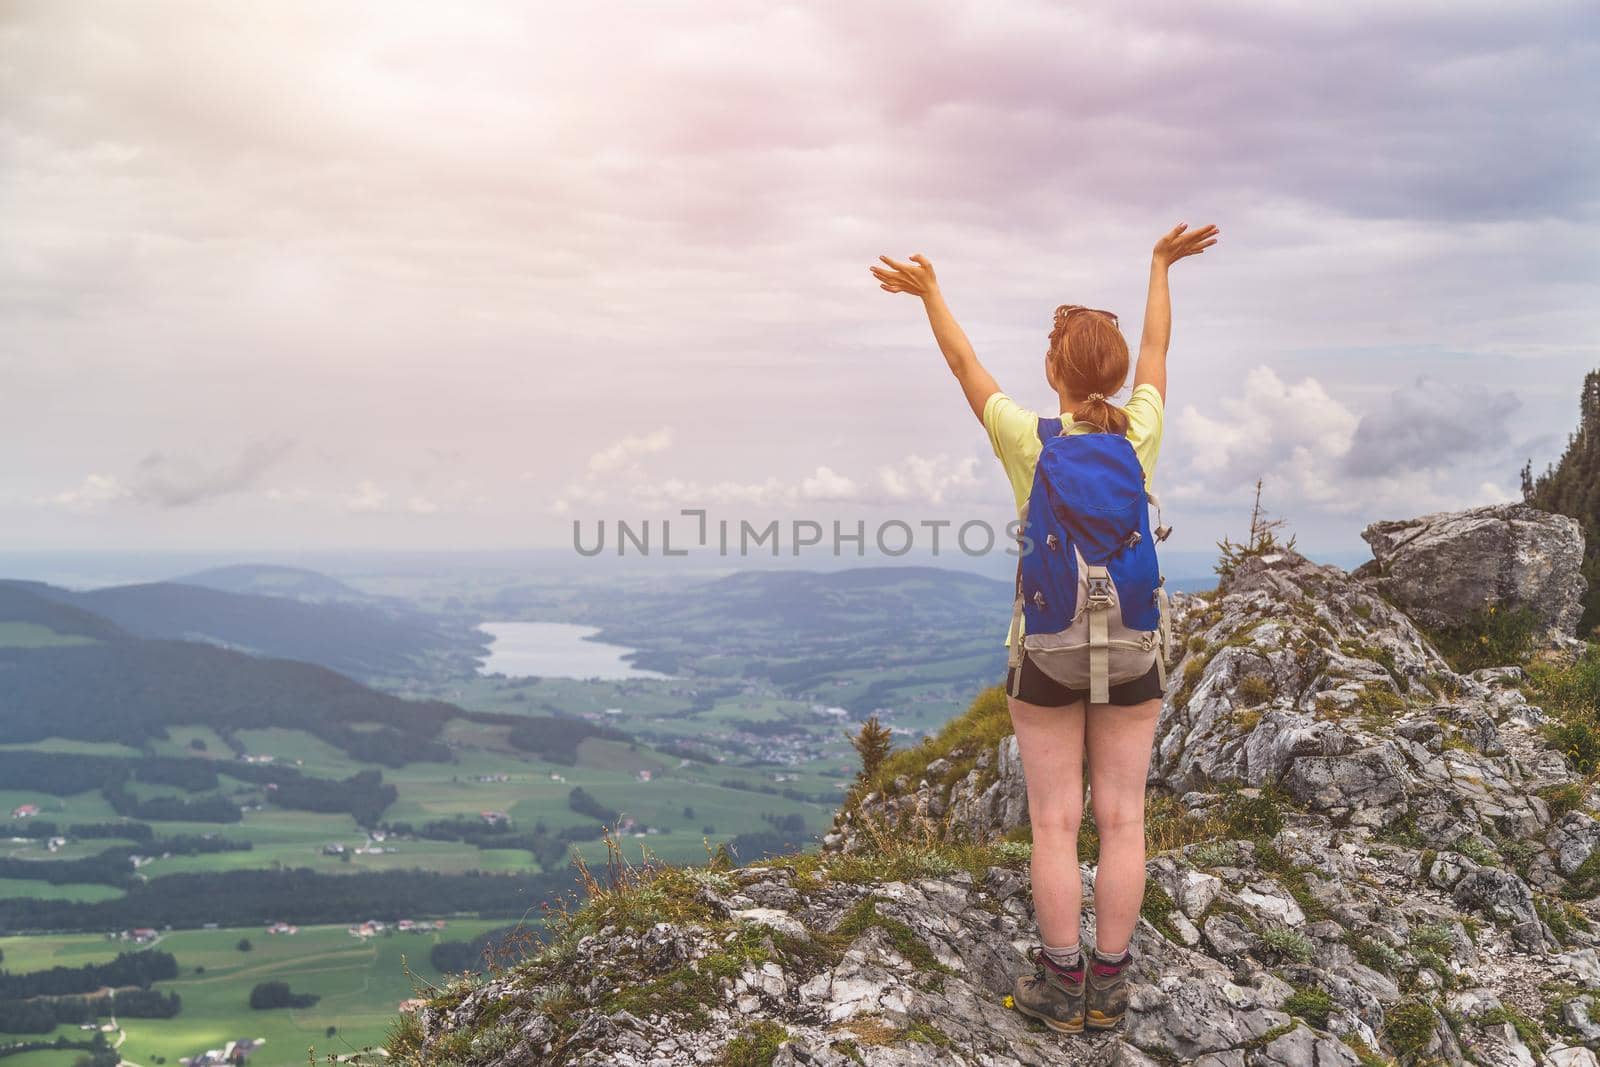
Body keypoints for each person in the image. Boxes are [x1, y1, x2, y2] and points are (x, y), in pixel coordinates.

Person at [868, 221, 1219, 1034]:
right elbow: (1160, 350)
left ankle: (1062, 985)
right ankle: (1112, 987)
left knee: (1056, 821)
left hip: (1048, 650)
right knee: (1124, 817)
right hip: (1130, 645)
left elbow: (964, 365)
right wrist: (1160, 266)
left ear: (1052, 372)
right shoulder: (1141, 431)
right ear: (1120, 376)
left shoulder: (1029, 438)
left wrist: (931, 294)